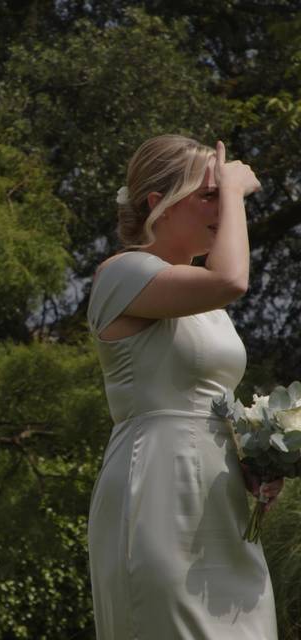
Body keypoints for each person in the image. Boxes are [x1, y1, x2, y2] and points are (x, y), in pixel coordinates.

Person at [87, 135, 278, 638]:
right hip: (160, 486)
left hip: (223, 501)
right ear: (159, 204)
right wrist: (236, 189)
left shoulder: (204, 303)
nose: (223, 206)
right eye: (209, 195)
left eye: (223, 195)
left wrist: (257, 461)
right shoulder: (122, 273)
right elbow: (233, 279)